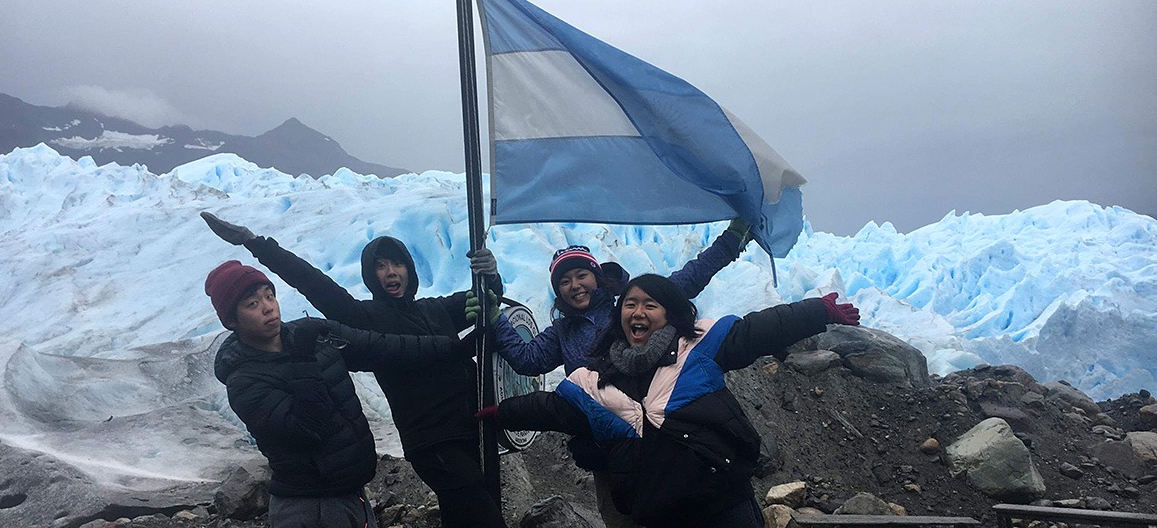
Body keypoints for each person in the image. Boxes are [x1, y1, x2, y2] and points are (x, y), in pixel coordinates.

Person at [477, 273, 860, 528]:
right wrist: (499, 413)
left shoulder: (698, 349)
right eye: (630, 305)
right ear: (619, 316)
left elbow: (757, 330)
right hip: (660, 511)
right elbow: (551, 410)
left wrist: (817, 311)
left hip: (723, 503)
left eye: (649, 304)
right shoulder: (595, 384)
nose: (638, 312)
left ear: (669, 313)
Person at [201, 212, 507, 528]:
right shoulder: (363, 318)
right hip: (433, 440)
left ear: (410, 269)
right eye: (380, 265)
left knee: (472, 513)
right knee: (482, 513)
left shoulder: (436, 309)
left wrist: (491, 276)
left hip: (474, 426)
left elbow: (487, 299)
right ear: (369, 274)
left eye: (397, 263)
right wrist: (259, 245)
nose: (391, 272)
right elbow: (313, 283)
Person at [487, 219, 753, 527]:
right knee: (622, 518)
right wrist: (496, 319)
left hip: (660, 434)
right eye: (565, 281)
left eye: (581, 275)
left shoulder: (626, 308)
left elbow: (690, 278)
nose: (575, 285)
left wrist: (730, 241)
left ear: (597, 278)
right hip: (610, 446)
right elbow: (527, 360)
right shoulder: (562, 331)